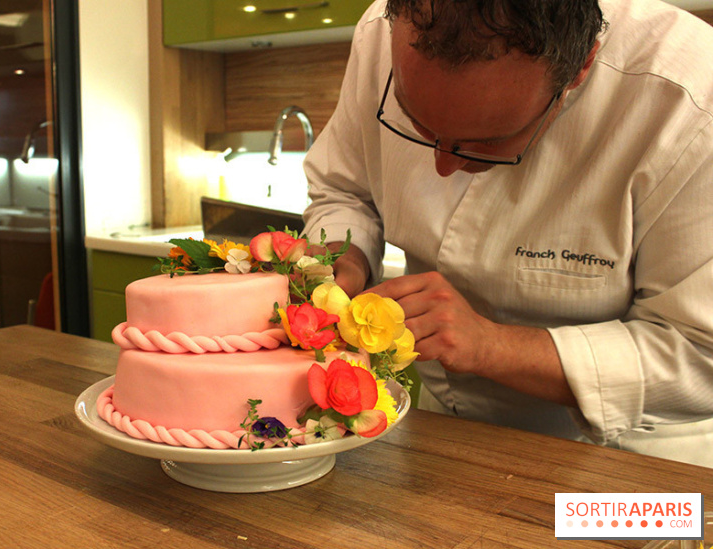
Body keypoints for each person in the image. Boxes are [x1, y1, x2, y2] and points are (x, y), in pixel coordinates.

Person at [302, 0, 713, 468]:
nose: (442, 166)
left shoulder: (692, 100)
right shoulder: (384, 30)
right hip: (446, 434)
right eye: (415, 123)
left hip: (644, 458)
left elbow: (700, 354)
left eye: (489, 141)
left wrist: (493, 346)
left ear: (580, 68)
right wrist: (343, 259)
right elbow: (343, 189)